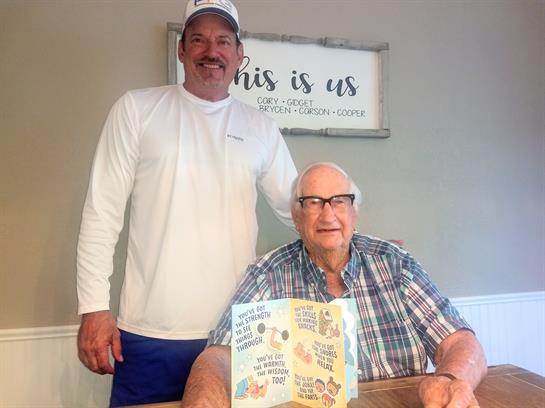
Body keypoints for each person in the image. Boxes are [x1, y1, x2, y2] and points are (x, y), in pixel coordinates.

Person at [76, 0, 297, 406]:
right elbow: (101, 214)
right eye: (198, 40)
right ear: (181, 50)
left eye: (223, 41)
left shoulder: (260, 127)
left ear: (239, 55)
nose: (211, 51)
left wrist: (362, 244)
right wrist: (93, 307)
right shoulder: (137, 109)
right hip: (149, 333)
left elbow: (300, 210)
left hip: (239, 331)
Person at [180, 162, 488, 408]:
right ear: (296, 216)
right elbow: (220, 355)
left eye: (339, 201)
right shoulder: (267, 274)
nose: (328, 215)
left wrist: (450, 380)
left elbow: (459, 341)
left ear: (355, 213)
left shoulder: (395, 264)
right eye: (313, 202)